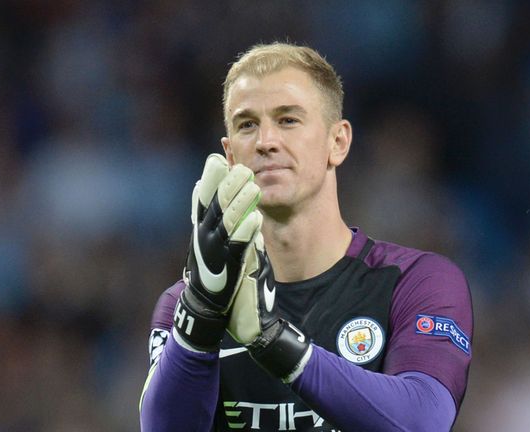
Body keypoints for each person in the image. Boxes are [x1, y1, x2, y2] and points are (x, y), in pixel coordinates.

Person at [139, 42, 472, 432]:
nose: (266, 141)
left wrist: (272, 339)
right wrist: (201, 313)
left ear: (338, 142)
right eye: (247, 124)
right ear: (230, 156)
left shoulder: (417, 281)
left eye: (288, 120)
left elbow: (422, 421)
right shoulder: (185, 302)